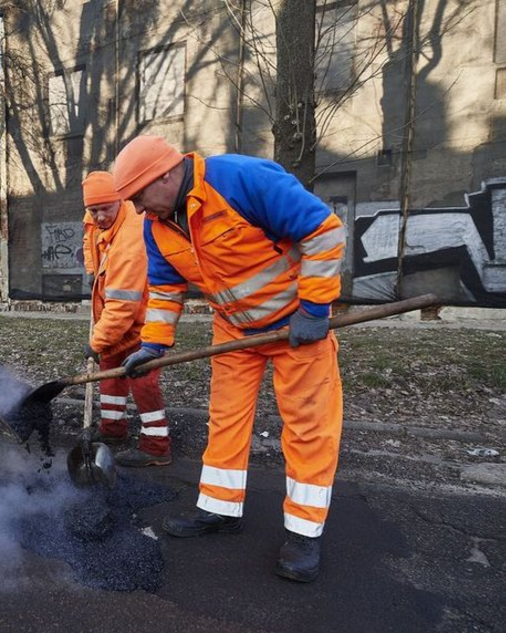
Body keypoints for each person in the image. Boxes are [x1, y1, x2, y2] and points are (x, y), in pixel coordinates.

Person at [113, 136, 345, 582]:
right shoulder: (157, 227)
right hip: (235, 331)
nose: (139, 209)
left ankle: (303, 533)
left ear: (164, 175)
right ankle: (221, 509)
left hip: (297, 326)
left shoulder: (240, 179)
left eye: (139, 197)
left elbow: (323, 230)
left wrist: (315, 309)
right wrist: (153, 346)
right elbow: (164, 291)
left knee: (308, 428)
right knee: (225, 420)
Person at [81, 171, 171, 467]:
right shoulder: (99, 218)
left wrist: (96, 341)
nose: (99, 216)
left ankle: (156, 446)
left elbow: (122, 306)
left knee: (142, 378)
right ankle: (113, 430)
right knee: (109, 372)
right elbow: (90, 235)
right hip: (119, 321)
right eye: (93, 210)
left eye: (105, 208)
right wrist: (93, 267)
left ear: (120, 200)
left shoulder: (131, 238)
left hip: (145, 323)